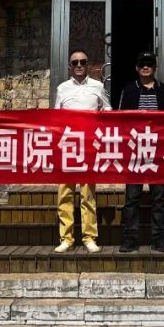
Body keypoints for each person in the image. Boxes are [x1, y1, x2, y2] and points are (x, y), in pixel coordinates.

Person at [53, 48, 109, 253]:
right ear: (70, 65)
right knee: (65, 193)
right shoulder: (62, 89)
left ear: (88, 64)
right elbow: (55, 118)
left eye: (82, 62)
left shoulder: (98, 86)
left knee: (88, 194)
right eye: (75, 62)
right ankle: (66, 238)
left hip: (88, 147)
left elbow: (108, 111)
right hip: (68, 147)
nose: (78, 66)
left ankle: (89, 237)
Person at [118, 52, 164, 253]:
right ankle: (130, 239)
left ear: (155, 67)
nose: (145, 67)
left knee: (158, 198)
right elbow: (121, 121)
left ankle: (159, 239)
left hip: (157, 153)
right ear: (136, 68)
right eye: (142, 63)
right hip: (135, 151)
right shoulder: (128, 90)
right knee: (132, 197)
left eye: (149, 63)